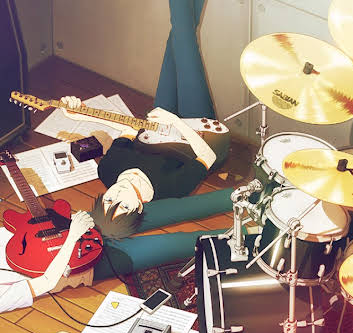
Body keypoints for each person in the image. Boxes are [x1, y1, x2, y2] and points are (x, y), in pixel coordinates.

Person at [59, 0, 235, 284]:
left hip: (155, 127)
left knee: (179, 35)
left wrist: (79, 113)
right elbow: (207, 156)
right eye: (122, 205)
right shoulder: (169, 189)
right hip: (196, 132)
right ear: (138, 209)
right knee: (183, 37)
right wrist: (176, 122)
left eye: (109, 199)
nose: (117, 193)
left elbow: (128, 130)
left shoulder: (108, 171)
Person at [0, 211, 94, 314]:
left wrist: (65, 220)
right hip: (68, 263)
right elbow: (46, 282)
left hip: (52, 230)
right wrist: (72, 236)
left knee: (95, 213)